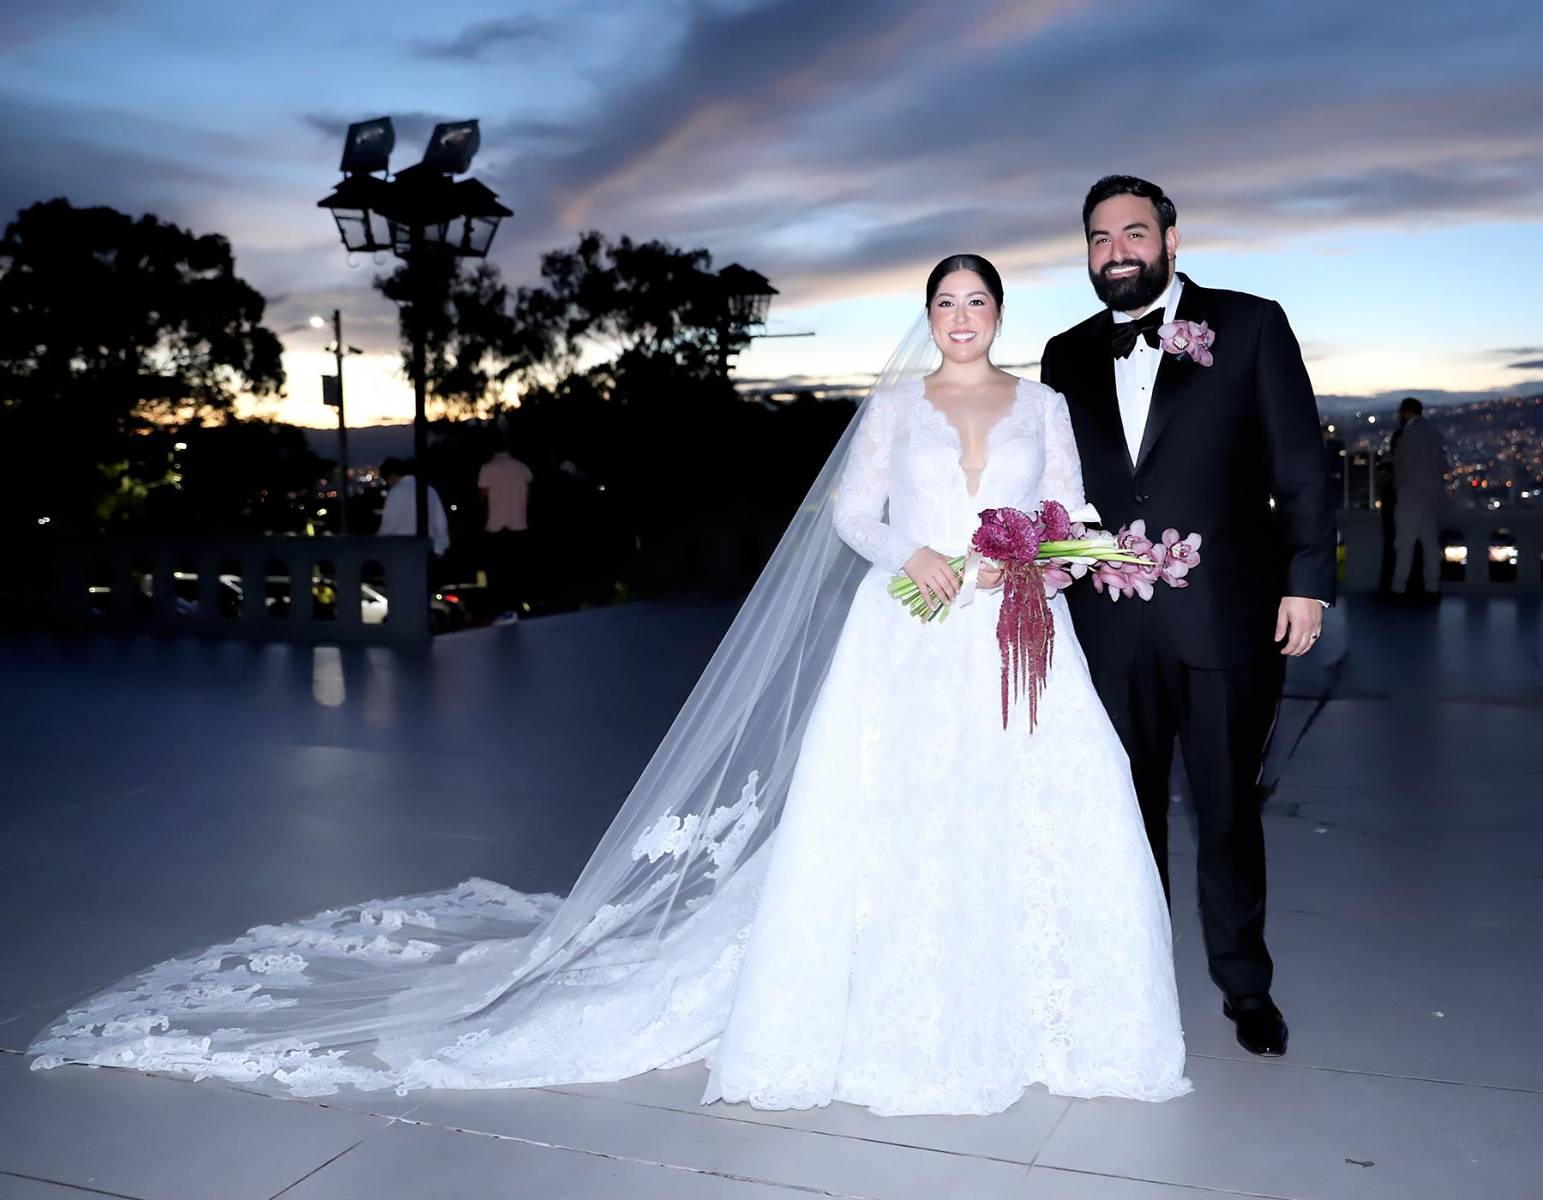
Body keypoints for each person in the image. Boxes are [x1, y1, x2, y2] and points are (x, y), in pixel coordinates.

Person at [31, 255, 1189, 1114]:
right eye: (942, 304)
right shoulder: (893, 407)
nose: (959, 319)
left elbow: (1070, 512)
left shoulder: (1042, 405)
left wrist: (1083, 555)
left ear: (1001, 314)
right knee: (893, 819)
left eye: (976, 303)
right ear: (925, 318)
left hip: (1016, 637)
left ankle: (1051, 1017)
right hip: (910, 629)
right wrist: (918, 553)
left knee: (1035, 810)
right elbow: (849, 514)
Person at [1040, 176, 1337, 1060]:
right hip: (1108, 627)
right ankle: (1121, 982)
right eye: (1098, 238)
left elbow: (1300, 462)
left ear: (1172, 237)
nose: (1116, 250)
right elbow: (1058, 491)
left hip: (1226, 619)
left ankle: (1244, 986)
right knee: (1117, 814)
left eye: (1133, 232)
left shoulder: (1248, 324)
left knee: (1225, 812)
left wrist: (1306, 582)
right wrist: (1052, 559)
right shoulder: (1063, 354)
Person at [1390, 397, 1446, 599]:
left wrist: (1398, 486)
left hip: (1410, 495)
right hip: (1431, 494)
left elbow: (1402, 465)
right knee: (1430, 544)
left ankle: (1399, 588)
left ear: (1405, 412)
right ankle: (1433, 587)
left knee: (1405, 543)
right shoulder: (1434, 432)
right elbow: (1442, 464)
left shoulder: (1409, 434)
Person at [477, 441, 534, 623]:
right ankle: (516, 608)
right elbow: (527, 494)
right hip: (519, 526)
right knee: (516, 570)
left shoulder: (487, 468)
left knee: (496, 572)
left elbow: (482, 496)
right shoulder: (522, 468)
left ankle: (500, 611)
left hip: (496, 526)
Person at [377, 456, 449, 557]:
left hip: (402, 553)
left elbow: (388, 527)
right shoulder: (430, 489)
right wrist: (440, 550)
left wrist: (376, 546)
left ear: (391, 476)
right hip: (428, 552)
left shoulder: (396, 492)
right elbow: (441, 524)